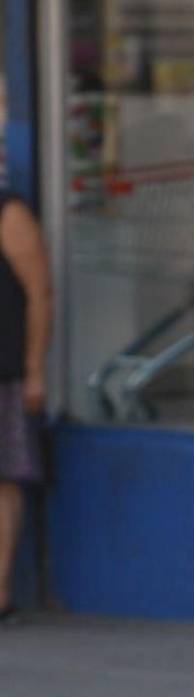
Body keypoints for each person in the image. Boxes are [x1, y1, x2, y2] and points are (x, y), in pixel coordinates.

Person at [0, 193, 52, 625]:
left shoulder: (9, 214)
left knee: (2, 479)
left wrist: (34, 369)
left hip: (3, 369)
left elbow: (39, 293)